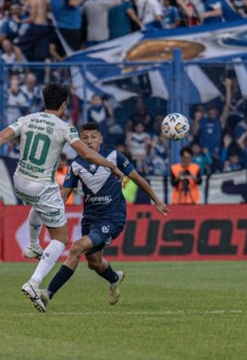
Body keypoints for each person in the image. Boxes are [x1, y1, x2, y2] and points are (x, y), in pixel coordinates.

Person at [0, 84, 123, 313]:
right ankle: (34, 284)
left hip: (20, 182)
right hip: (42, 186)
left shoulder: (26, 119)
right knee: (61, 240)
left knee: (39, 207)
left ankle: (33, 244)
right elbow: (85, 153)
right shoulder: (65, 127)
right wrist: (109, 164)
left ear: (44, 101)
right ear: (64, 104)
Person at [40, 123, 168, 309]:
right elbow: (65, 195)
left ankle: (47, 293)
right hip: (90, 219)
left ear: (100, 138)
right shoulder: (76, 165)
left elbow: (137, 178)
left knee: (77, 248)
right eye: (85, 138)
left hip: (113, 218)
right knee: (94, 263)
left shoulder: (114, 157)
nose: (89, 141)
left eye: (93, 137)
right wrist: (47, 208)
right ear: (79, 140)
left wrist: (156, 200)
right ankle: (114, 278)